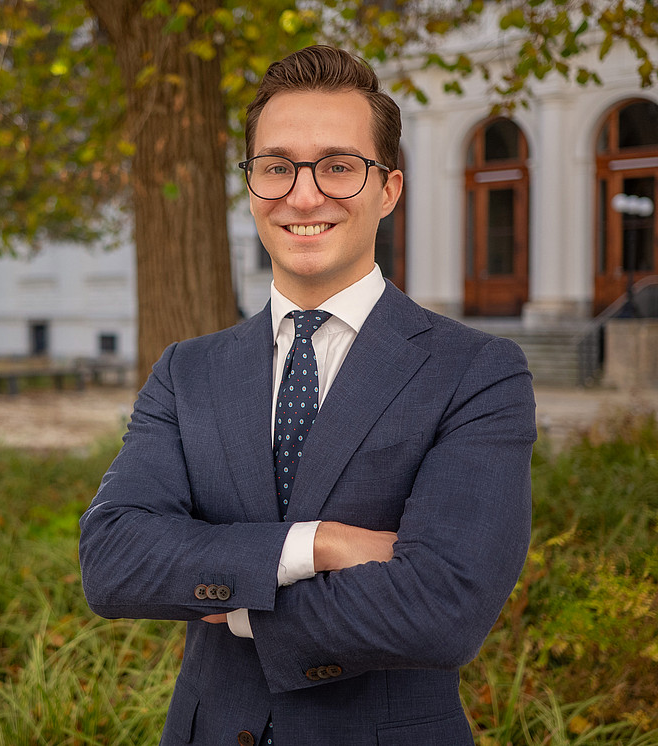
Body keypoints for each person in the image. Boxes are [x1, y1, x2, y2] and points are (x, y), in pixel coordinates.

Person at [79, 44, 536, 746]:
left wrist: (232, 597)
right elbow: (115, 562)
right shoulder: (186, 371)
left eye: (339, 166)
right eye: (276, 167)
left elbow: (446, 606)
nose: (303, 193)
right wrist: (318, 545)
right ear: (253, 185)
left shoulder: (476, 373)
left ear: (387, 189)